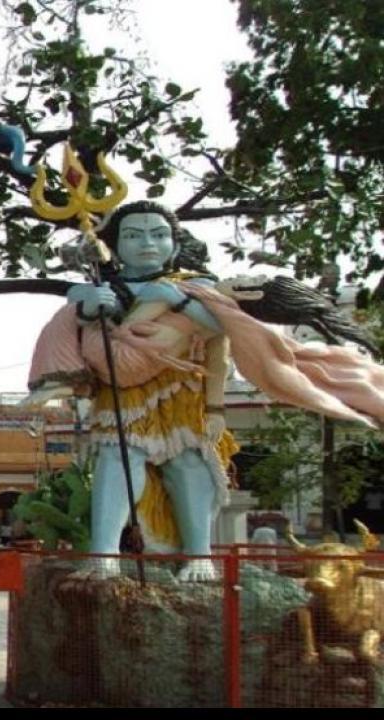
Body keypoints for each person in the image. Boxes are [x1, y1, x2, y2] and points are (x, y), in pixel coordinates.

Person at [29, 200, 384, 581]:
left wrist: (213, 404)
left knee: (187, 465)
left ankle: (199, 556)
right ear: (114, 245)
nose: (147, 243)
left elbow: (221, 334)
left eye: (159, 234)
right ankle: (103, 554)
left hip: (182, 393)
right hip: (120, 396)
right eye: (133, 235)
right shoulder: (100, 287)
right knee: (116, 463)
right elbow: (76, 323)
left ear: (175, 243)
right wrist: (87, 306)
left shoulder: (196, 286)